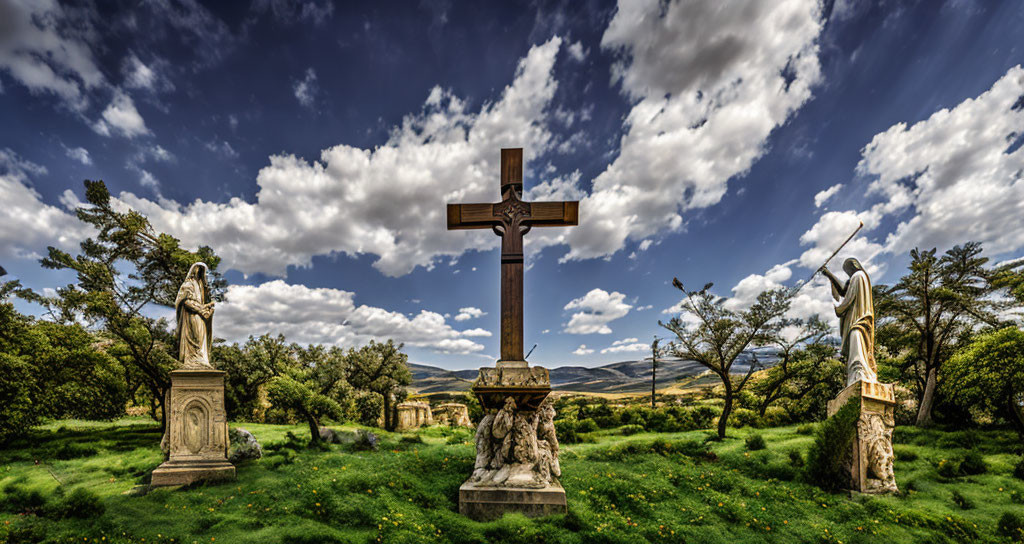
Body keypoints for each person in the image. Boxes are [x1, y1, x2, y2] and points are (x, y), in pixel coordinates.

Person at [821, 258, 877, 385]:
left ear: (854, 267)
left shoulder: (858, 276)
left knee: (857, 343)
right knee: (855, 347)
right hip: (857, 321)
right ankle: (856, 376)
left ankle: (860, 374)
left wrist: (838, 307)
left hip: (858, 321)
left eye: (847, 270)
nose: (848, 274)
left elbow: (848, 296)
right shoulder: (858, 277)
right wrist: (829, 274)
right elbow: (843, 291)